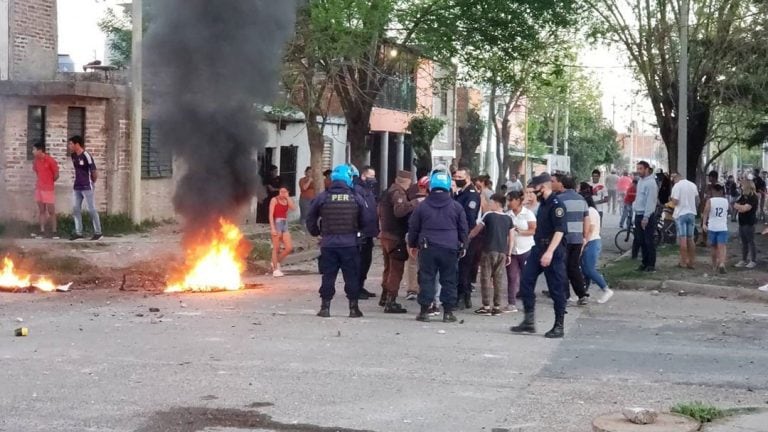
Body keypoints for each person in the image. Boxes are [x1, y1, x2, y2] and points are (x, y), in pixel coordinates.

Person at [510, 173, 568, 339]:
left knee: (556, 288)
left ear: (543, 188)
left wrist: (549, 252)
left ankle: (559, 325)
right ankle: (528, 321)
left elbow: (560, 230)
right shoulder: (542, 204)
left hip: (553, 250)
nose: (531, 194)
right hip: (538, 249)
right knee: (526, 282)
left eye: (533, 190)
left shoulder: (557, 205)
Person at [306, 164, 367, 318]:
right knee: (351, 276)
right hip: (350, 244)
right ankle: (353, 309)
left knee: (328, 276)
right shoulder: (356, 197)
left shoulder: (323, 197)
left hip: (328, 244)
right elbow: (366, 219)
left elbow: (310, 217)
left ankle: (325, 308)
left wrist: (316, 232)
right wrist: (360, 233)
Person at [407, 169, 468, 323]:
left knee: (426, 278)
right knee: (449, 280)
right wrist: (464, 245)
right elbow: (463, 229)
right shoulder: (456, 207)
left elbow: (413, 227)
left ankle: (424, 311)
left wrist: (412, 244)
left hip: (428, 248)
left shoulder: (422, 206)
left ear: (431, 186)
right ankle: (448, 313)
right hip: (450, 248)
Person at [378, 170, 418, 313]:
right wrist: (414, 202)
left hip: (385, 235)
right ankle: (391, 301)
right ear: (407, 182)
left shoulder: (387, 192)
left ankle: (384, 297)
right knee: (396, 270)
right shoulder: (398, 193)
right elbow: (399, 211)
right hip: (395, 237)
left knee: (388, 268)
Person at [469, 193, 514, 316]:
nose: (489, 205)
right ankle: (497, 306)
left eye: (491, 202)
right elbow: (511, 237)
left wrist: (467, 238)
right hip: (502, 252)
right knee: (498, 280)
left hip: (489, 250)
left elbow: (477, 229)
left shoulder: (488, 215)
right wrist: (509, 254)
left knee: (485, 278)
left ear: (496, 203)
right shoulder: (509, 218)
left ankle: (486, 306)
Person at [551, 173, 590, 305]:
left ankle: (564, 295)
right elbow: (586, 220)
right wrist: (585, 237)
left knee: (561, 267)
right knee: (574, 267)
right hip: (577, 238)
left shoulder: (559, 200)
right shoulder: (581, 200)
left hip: (563, 238)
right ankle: (582, 294)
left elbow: (556, 221)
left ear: (562, 184)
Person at [578, 182, 614, 304]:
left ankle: (606, 289)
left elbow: (590, 230)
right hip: (589, 241)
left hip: (592, 242)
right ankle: (583, 294)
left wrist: (583, 244)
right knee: (584, 269)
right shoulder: (589, 210)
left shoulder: (591, 212)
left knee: (589, 269)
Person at [453, 168, 482, 309]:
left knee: (464, 267)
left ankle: (463, 297)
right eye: (455, 176)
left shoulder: (471, 195)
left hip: (467, 235)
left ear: (468, 178)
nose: (457, 179)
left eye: (460, 176)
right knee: (460, 267)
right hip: (459, 234)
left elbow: (469, 218)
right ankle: (464, 296)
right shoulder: (460, 193)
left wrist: (464, 236)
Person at [505, 191, 536, 313]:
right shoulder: (507, 215)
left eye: (510, 200)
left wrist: (519, 232)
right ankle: (511, 302)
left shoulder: (528, 214)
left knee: (526, 277)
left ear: (517, 200)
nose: (508, 203)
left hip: (526, 248)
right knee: (512, 277)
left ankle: (528, 302)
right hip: (512, 250)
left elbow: (533, 230)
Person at [68, 135, 102, 241]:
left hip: (87, 186)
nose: (69, 146)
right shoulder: (73, 156)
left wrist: (91, 182)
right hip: (77, 186)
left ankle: (98, 232)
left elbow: (94, 172)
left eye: (70, 144)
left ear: (77, 144)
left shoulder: (86, 155)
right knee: (75, 208)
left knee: (91, 209)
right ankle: (78, 232)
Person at [355, 166, 379, 300]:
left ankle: (360, 286)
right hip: (361, 233)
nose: (373, 179)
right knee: (360, 262)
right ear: (363, 176)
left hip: (369, 232)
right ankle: (356, 288)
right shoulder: (358, 191)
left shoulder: (368, 191)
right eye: (371, 176)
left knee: (366, 261)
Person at [405, 175, 430, 301]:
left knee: (412, 263)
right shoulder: (432, 203)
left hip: (412, 234)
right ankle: (424, 289)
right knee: (426, 264)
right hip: (427, 237)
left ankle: (412, 289)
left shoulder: (412, 201)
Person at [633, 161, 659, 272]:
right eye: (638, 169)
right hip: (638, 213)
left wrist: (646, 217)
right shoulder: (640, 182)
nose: (639, 171)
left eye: (641, 169)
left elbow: (650, 201)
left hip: (646, 215)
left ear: (647, 169)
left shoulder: (651, 183)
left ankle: (651, 264)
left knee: (649, 241)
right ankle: (644, 262)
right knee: (641, 240)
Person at [670, 173, 699, 269]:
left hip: (681, 214)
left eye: (673, 178)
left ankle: (683, 261)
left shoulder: (677, 186)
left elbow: (675, 202)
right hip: (691, 213)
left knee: (683, 239)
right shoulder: (692, 185)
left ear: (676, 178)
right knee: (690, 239)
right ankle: (692, 262)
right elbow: (696, 199)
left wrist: (671, 199)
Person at [32, 142, 59, 239]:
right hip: (39, 188)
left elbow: (56, 174)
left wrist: (49, 182)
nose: (33, 152)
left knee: (51, 211)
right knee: (41, 210)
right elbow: (36, 171)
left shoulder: (50, 160)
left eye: (34, 150)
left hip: (48, 189)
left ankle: (54, 232)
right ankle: (42, 231)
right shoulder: (36, 161)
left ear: (40, 150)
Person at [701, 184, 729, 274]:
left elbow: (706, 212)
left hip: (712, 226)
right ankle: (721, 263)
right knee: (722, 246)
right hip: (722, 227)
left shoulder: (710, 201)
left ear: (714, 191)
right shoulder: (726, 201)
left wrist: (704, 223)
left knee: (713, 246)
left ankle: (714, 265)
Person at [268, 186, 295, 277]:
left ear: (288, 192)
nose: (282, 193)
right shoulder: (274, 200)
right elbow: (271, 215)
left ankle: (275, 262)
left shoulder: (287, 200)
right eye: (281, 191)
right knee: (276, 247)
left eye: (284, 192)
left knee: (289, 247)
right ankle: (275, 269)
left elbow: (293, 208)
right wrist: (272, 228)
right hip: (277, 222)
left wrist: (287, 197)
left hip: (284, 222)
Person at [734, 179, 758, 269]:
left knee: (751, 242)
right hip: (742, 222)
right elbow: (735, 205)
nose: (741, 186)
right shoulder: (742, 196)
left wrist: (741, 208)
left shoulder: (753, 197)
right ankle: (743, 260)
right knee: (743, 242)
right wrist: (741, 207)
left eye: (742, 185)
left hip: (749, 222)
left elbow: (745, 208)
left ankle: (753, 260)